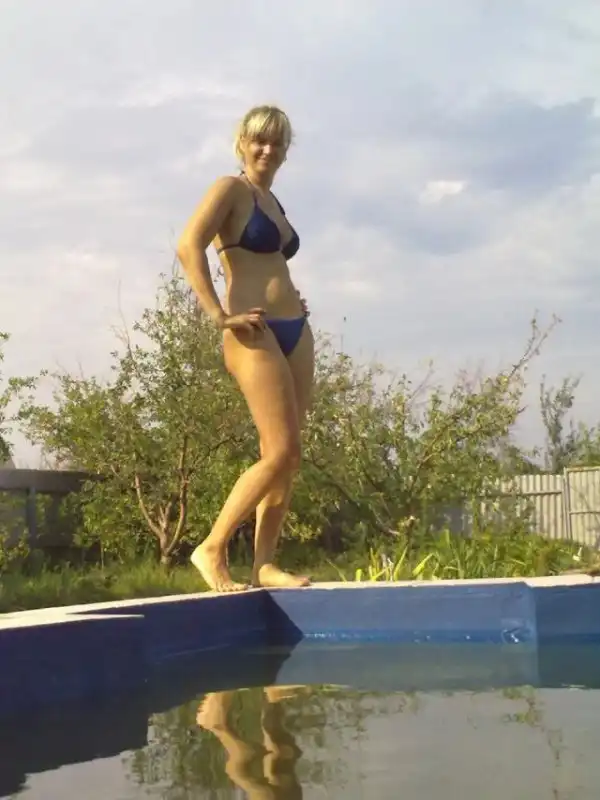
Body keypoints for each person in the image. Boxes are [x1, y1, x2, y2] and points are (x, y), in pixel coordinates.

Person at [177, 105, 314, 592]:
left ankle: (264, 564)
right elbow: (188, 245)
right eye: (259, 140)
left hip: (295, 328)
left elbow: (275, 264)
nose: (267, 149)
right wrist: (219, 315)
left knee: (288, 455)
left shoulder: (273, 201)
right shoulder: (230, 189)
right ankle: (212, 547)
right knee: (281, 450)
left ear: (285, 150)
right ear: (242, 143)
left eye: (276, 142)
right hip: (251, 329)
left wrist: (292, 300)